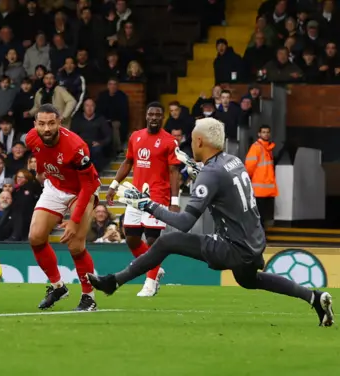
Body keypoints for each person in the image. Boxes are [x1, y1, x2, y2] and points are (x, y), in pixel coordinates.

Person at [87, 118, 334, 327]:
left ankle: (114, 281)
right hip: (254, 240)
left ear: (200, 142)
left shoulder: (211, 173)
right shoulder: (231, 160)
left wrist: (146, 204)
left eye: (193, 139)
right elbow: (223, 186)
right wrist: (198, 169)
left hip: (233, 245)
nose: (191, 142)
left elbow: (184, 222)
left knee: (169, 241)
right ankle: (314, 297)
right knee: (249, 280)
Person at [26, 103, 101, 312]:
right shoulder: (31, 137)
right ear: (36, 124)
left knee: (76, 245)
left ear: (59, 122)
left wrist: (74, 219)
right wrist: (41, 172)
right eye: (42, 124)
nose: (47, 128)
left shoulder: (77, 147)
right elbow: (40, 155)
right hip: (55, 185)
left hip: (81, 190)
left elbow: (87, 185)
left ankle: (89, 297)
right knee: (36, 237)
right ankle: (58, 286)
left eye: (51, 123)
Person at [105, 102, 181, 297]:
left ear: (162, 118)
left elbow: (174, 171)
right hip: (136, 195)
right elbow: (128, 161)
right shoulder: (136, 136)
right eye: (151, 114)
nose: (154, 117)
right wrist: (113, 185)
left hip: (158, 195)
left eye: (157, 115)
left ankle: (150, 281)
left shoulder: (169, 141)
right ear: (146, 116)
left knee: (153, 240)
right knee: (130, 238)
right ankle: (154, 268)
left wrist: (175, 201)